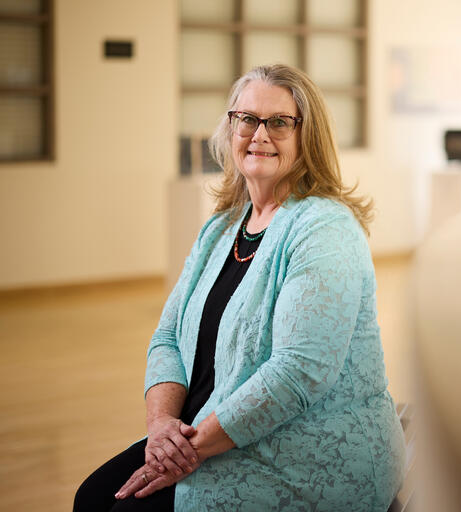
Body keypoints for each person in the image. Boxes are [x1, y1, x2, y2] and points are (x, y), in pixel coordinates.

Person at [74, 64, 406, 511]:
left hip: (306, 452)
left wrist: (185, 451)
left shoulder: (324, 228)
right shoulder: (222, 228)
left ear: (308, 137)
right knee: (91, 498)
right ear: (230, 128)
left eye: (279, 122)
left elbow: (296, 373)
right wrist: (160, 427)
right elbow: (168, 337)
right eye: (246, 119)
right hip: (207, 431)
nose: (259, 134)